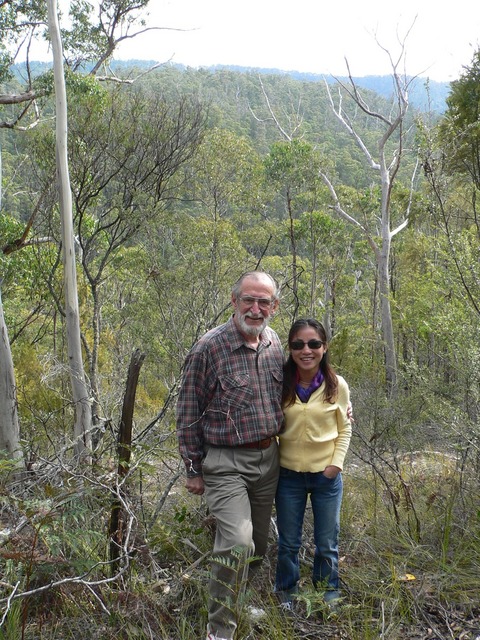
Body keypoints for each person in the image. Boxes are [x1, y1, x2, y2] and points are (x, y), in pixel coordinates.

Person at [176, 271, 284, 640]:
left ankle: (237, 598)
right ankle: (219, 629)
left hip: (268, 458)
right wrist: (192, 468)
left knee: (259, 543)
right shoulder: (209, 348)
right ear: (234, 301)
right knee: (238, 542)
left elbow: (293, 391)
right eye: (248, 300)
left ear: (274, 306)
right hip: (225, 463)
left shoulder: (273, 343)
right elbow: (188, 411)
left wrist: (336, 404)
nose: (256, 309)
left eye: (264, 302)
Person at [274, 318, 352, 611]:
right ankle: (287, 591)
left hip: (326, 477)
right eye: (298, 344)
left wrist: (336, 465)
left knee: (326, 542)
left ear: (324, 347)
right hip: (288, 475)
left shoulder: (336, 385)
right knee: (288, 542)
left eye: (313, 344)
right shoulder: (280, 383)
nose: (306, 350)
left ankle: (327, 592)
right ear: (290, 348)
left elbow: (344, 428)